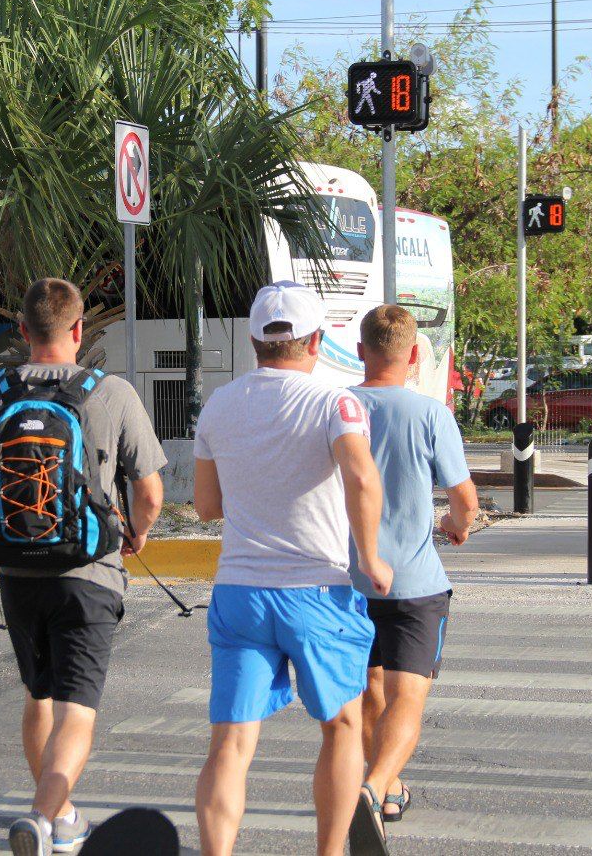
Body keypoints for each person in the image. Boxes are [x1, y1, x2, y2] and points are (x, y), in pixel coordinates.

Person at [0, 278, 166, 856]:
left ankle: (62, 814)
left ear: (22, 332)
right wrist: (137, 533)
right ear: (78, 332)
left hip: (18, 574)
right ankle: (44, 818)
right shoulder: (112, 391)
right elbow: (149, 489)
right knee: (78, 706)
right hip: (90, 571)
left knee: (38, 694)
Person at [191, 280, 393, 856]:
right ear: (316, 341)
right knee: (343, 727)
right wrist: (372, 557)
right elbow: (360, 476)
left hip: (240, 592)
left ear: (254, 341)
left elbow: (207, 508)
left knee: (229, 743)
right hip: (316, 589)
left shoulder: (219, 405)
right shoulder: (336, 403)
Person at [350, 305, 479, 831]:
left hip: (349, 578)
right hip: (416, 582)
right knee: (408, 695)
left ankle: (387, 785)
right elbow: (464, 497)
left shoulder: (336, 407)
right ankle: (378, 786)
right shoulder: (431, 414)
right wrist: (457, 524)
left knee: (366, 693)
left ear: (361, 352)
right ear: (415, 354)